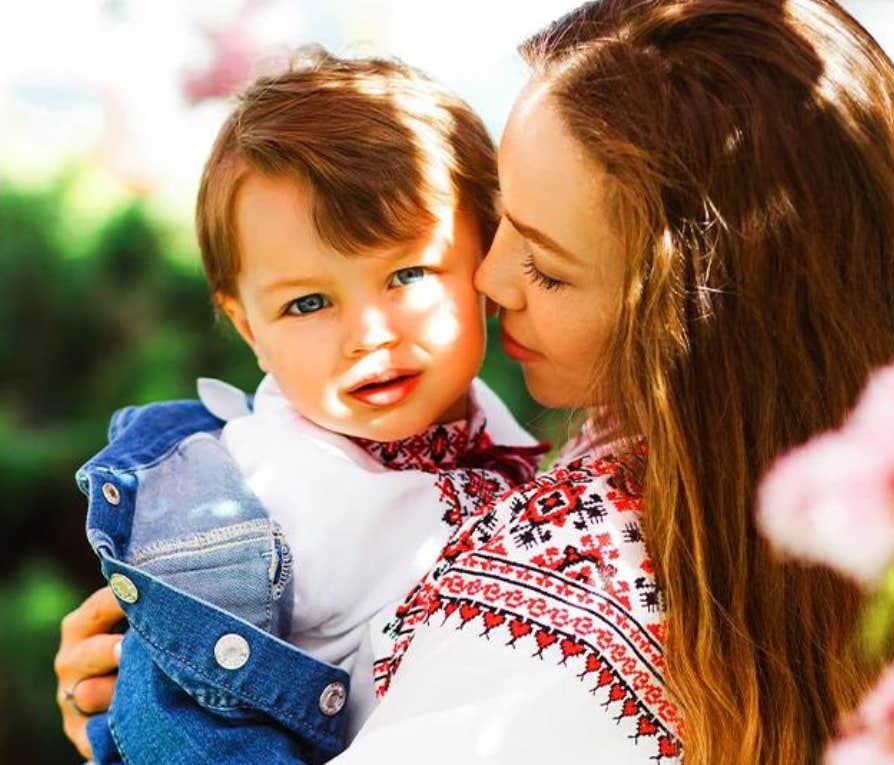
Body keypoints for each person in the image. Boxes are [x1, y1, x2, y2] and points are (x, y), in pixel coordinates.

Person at [55, 0, 894, 761]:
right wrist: (148, 691)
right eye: (505, 225)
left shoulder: (549, 626)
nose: (492, 281)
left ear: (699, 318)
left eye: (545, 264)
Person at [70, 50, 547, 764]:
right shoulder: (254, 500)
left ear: (485, 251)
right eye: (308, 303)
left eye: (406, 273)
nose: (368, 334)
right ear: (248, 329)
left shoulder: (508, 442)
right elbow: (185, 723)